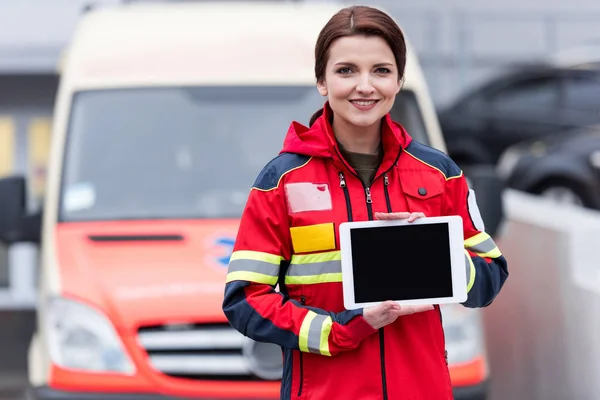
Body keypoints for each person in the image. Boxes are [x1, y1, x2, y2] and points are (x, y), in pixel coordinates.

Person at [222, 5, 508, 400]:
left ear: (399, 80)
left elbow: (490, 276)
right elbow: (246, 301)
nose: (365, 86)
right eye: (346, 70)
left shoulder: (439, 174)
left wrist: (433, 253)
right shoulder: (281, 182)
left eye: (381, 70)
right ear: (322, 81)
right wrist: (342, 328)